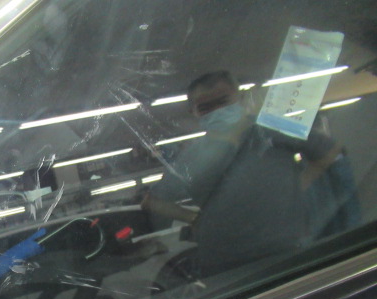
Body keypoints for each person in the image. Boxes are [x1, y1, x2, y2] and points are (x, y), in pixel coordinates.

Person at [143, 71, 360, 277]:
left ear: (241, 98)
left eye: (223, 101)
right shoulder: (193, 156)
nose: (216, 111)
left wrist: (297, 187)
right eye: (205, 107)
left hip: (287, 250)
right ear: (193, 112)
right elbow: (152, 202)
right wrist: (195, 219)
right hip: (225, 261)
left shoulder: (270, 130)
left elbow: (330, 151)